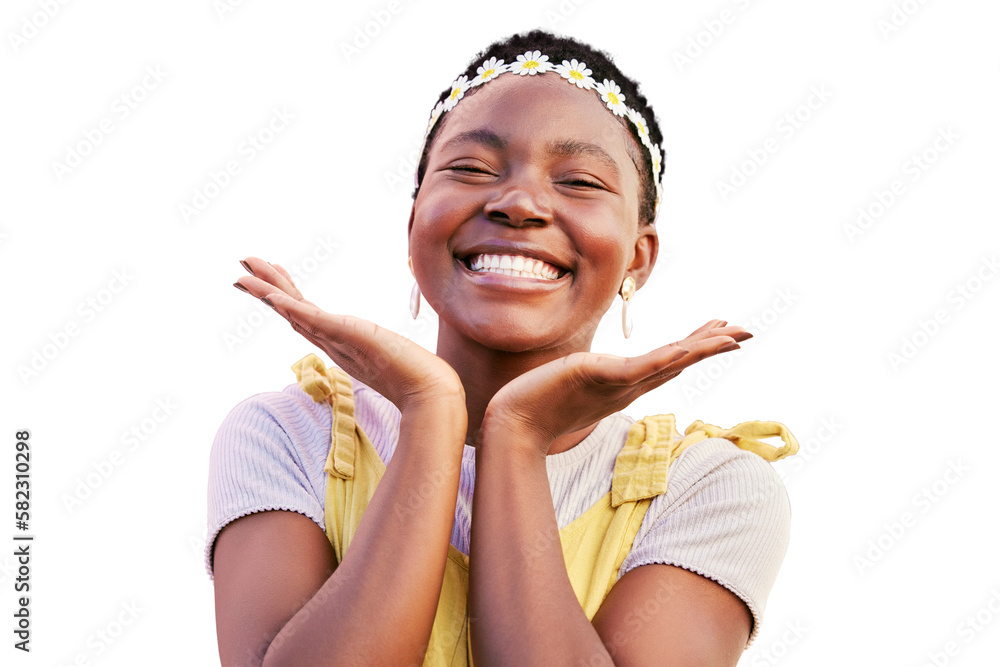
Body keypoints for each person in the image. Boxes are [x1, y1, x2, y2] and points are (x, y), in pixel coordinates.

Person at [207, 29, 798, 667]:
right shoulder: (291, 436)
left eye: (579, 181)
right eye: (471, 169)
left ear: (639, 255)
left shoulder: (708, 489)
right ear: (414, 228)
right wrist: (430, 412)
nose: (518, 203)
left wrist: (516, 436)